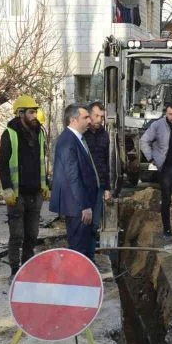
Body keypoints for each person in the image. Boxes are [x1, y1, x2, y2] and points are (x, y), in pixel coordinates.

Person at [0, 94, 50, 282]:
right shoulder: (10, 134)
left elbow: (41, 163)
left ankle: (27, 270)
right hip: (17, 195)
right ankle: (14, 271)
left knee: (32, 235)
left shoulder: (39, 133)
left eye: (35, 111)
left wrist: (45, 185)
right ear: (20, 113)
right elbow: (2, 165)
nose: (35, 115)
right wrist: (8, 190)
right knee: (17, 235)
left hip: (35, 193)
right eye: (31, 112)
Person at [49, 104, 100, 262]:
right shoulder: (68, 141)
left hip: (84, 202)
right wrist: (84, 205)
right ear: (73, 120)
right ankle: (79, 281)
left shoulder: (78, 138)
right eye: (85, 117)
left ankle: (88, 276)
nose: (90, 121)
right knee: (79, 248)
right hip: (77, 206)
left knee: (87, 244)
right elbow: (73, 176)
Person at [139, 102, 172, 239]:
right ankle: (167, 231)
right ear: (166, 113)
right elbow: (144, 141)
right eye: (170, 114)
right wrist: (151, 159)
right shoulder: (158, 125)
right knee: (166, 200)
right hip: (165, 168)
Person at [83, 102, 112, 235]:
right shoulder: (82, 134)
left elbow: (106, 162)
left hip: (99, 185)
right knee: (82, 224)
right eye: (97, 116)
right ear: (89, 115)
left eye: (102, 117)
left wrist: (107, 187)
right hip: (83, 186)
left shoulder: (104, 135)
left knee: (94, 224)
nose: (99, 119)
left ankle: (91, 253)